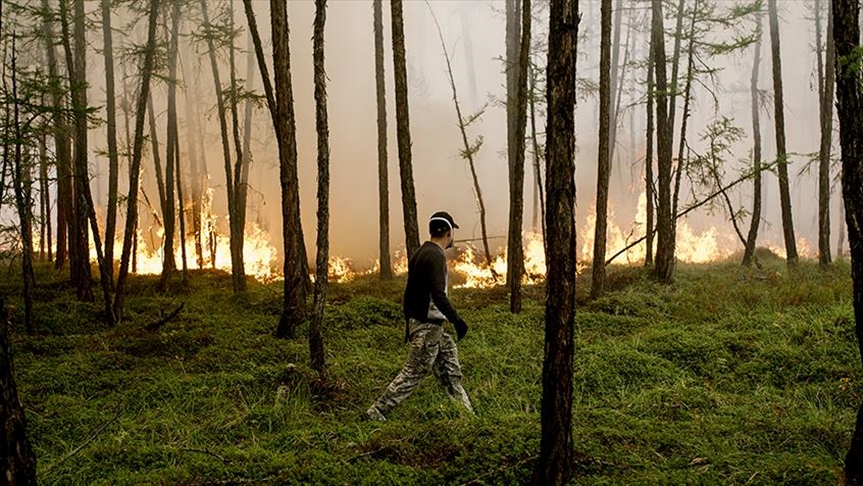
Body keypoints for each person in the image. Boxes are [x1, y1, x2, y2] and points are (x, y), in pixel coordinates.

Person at [365, 211, 473, 421]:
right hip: (427, 328)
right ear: (448, 232)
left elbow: (409, 293)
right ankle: (376, 411)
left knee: (450, 370)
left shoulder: (421, 252)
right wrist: (457, 321)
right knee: (413, 372)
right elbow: (438, 295)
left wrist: (410, 322)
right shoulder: (436, 256)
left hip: (430, 328)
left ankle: (466, 415)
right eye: (452, 232)